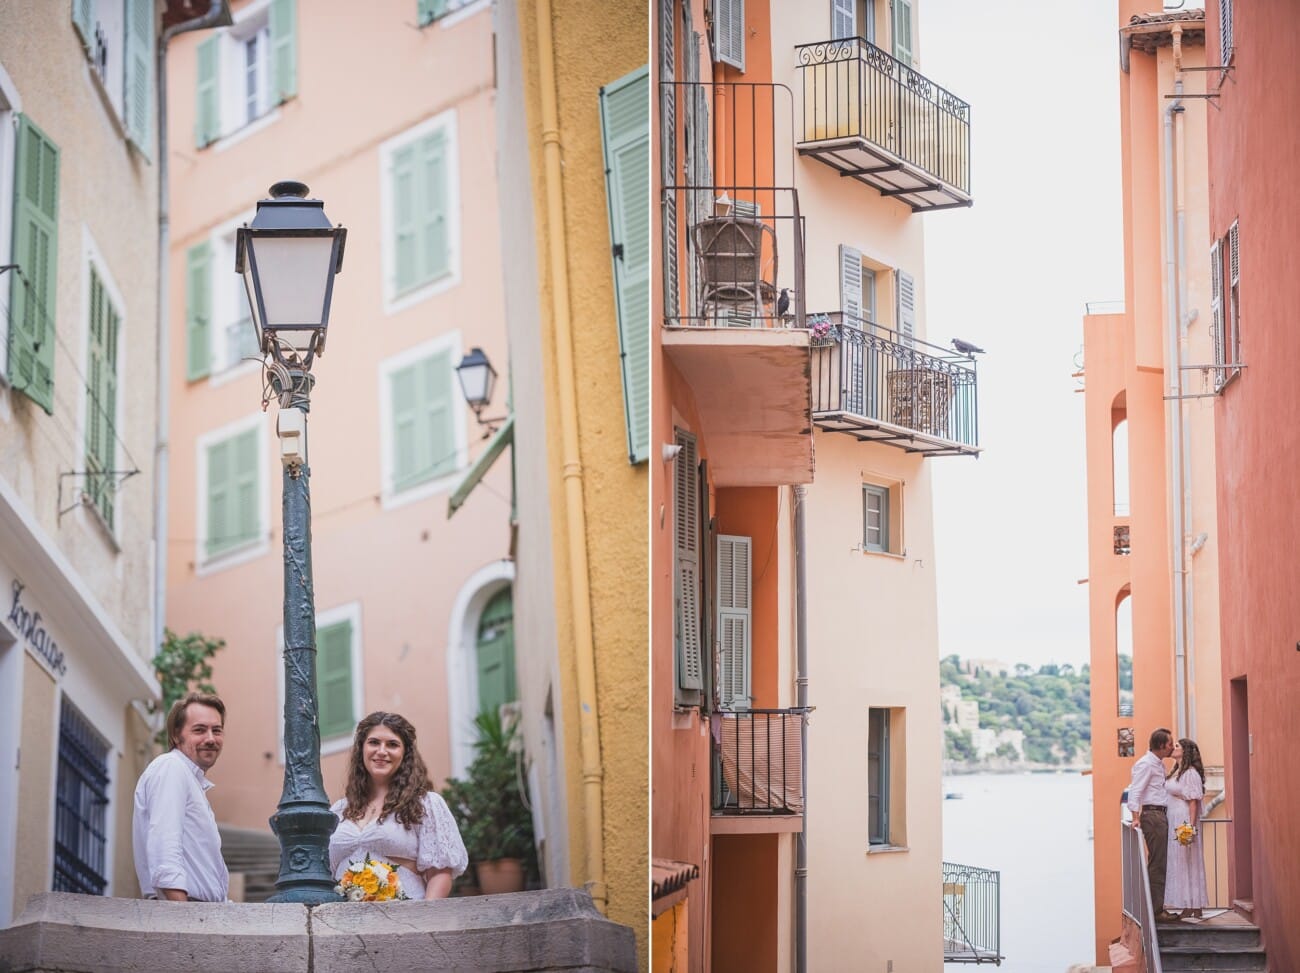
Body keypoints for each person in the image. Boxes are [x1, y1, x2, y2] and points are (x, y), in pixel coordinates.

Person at [329, 712, 468, 899]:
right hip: (343, 921)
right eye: (374, 742)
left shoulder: (425, 804)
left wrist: (424, 919)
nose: (381, 751)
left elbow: (439, 873)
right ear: (361, 748)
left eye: (392, 744)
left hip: (405, 917)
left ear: (405, 754)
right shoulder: (339, 810)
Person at [132, 691, 230, 902]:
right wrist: (182, 918)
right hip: (185, 914)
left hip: (199, 915)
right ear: (176, 735)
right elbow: (164, 843)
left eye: (217, 730)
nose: (211, 739)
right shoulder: (171, 767)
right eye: (200, 730)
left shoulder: (189, 779)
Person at [1127, 726, 1176, 921]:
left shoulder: (1157, 764)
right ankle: (1156, 911)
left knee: (1161, 861)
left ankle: (1156, 907)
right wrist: (1135, 817)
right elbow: (1135, 790)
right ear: (1161, 745)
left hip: (1159, 815)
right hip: (1153, 816)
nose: (1172, 747)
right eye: (1170, 744)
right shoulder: (1147, 764)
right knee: (1158, 862)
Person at [1165, 738, 1209, 920]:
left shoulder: (1190, 774)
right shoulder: (1176, 772)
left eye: (1177, 746)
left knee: (1187, 860)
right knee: (1179, 861)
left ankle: (1193, 904)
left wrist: (1190, 827)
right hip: (1174, 817)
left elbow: (1193, 802)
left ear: (1186, 751)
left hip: (1183, 818)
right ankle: (1188, 903)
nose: (1173, 748)